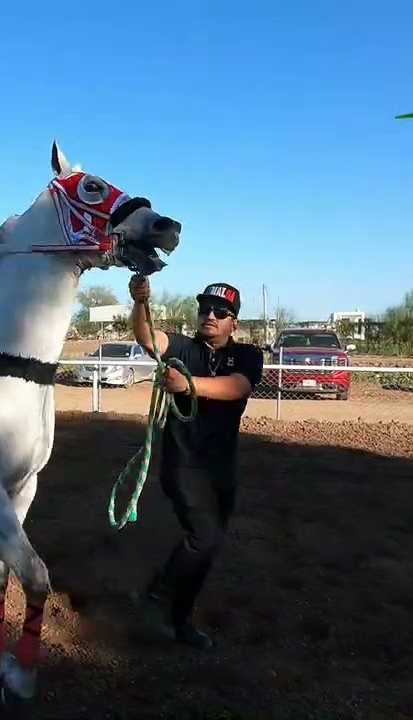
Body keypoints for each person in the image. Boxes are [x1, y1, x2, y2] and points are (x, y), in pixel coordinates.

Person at [127, 274, 263, 650]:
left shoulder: (248, 355)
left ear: (233, 321)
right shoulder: (183, 347)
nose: (210, 316)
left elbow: (238, 387)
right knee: (204, 535)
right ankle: (157, 598)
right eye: (205, 309)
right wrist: (140, 304)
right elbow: (148, 338)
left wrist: (189, 386)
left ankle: (178, 619)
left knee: (209, 545)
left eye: (220, 312)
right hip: (183, 464)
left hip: (221, 467)